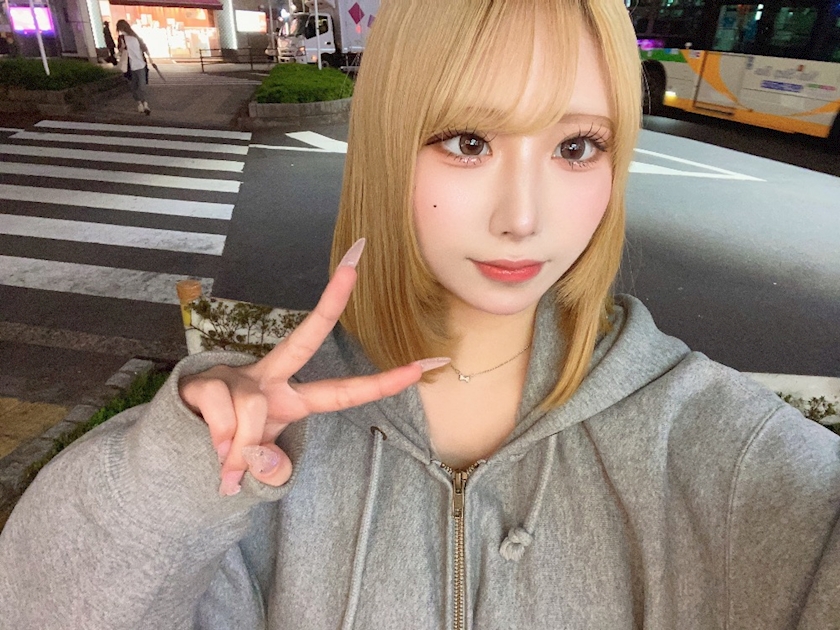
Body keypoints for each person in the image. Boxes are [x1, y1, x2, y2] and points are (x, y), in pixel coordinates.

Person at [1, 0, 838, 627]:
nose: (523, 217)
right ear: (387, 144)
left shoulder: (721, 448)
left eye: (576, 147)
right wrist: (182, 469)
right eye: (468, 142)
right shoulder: (276, 442)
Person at [116, 18, 152, 115]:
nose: (121, 30)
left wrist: (150, 58)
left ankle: (145, 104)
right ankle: (140, 103)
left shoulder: (134, 36)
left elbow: (143, 47)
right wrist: (122, 48)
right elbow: (120, 51)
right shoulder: (122, 38)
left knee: (141, 86)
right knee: (134, 87)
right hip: (130, 66)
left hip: (140, 64)